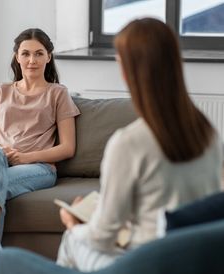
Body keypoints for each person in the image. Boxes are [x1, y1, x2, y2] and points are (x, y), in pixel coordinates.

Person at [54, 17, 223, 272]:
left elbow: (101, 237)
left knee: (72, 241)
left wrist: (74, 224)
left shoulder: (129, 143)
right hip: (196, 261)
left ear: (128, 70)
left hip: (146, 264)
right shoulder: (206, 130)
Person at [0, 28, 80, 274]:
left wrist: (24, 157)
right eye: (26, 54)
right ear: (16, 57)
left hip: (36, 168)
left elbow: (67, 148)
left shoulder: (58, 94)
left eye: (39, 54)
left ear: (48, 57)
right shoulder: (0, 91)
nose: (32, 60)